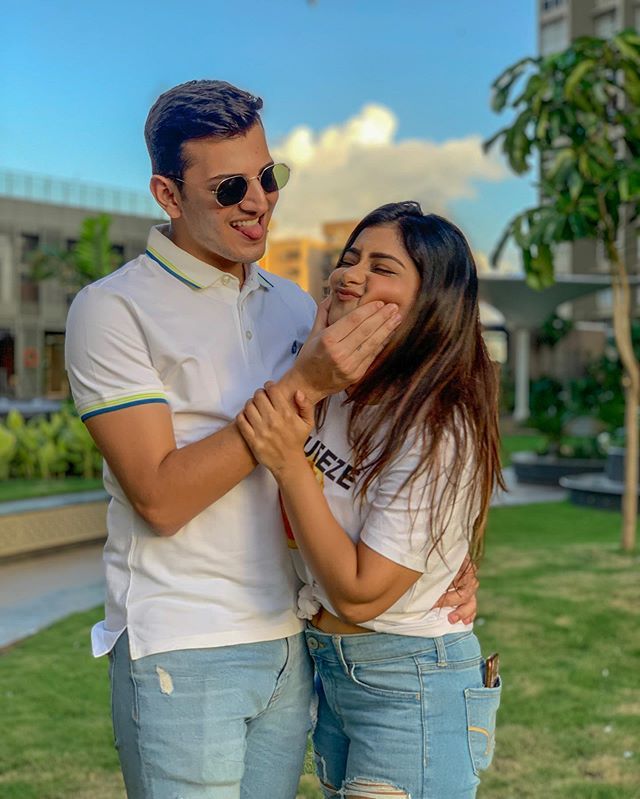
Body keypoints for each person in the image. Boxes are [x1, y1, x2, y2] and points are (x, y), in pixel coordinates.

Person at [65, 81, 478, 799]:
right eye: (230, 187)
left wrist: (440, 560)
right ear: (168, 194)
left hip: (295, 645)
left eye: (268, 175)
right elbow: (159, 498)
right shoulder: (112, 310)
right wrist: (306, 381)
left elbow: (389, 451)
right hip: (184, 646)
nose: (257, 201)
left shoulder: (293, 304)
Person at [238, 201, 504, 799]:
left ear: (431, 303)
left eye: (382, 267)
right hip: (333, 669)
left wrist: (289, 463)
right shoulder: (333, 392)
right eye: (348, 259)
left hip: (408, 678)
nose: (348, 275)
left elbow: (361, 592)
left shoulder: (438, 426)